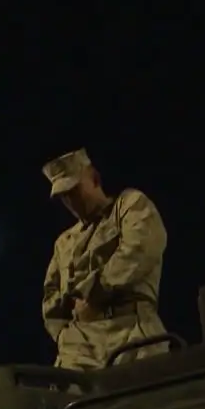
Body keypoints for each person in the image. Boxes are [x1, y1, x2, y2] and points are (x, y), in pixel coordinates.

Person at [40, 148, 169, 371]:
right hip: (79, 349)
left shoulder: (129, 206)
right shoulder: (64, 242)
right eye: (64, 197)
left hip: (131, 335)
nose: (70, 201)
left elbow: (139, 251)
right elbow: (50, 299)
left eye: (74, 190)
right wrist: (64, 335)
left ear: (95, 179)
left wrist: (94, 291)